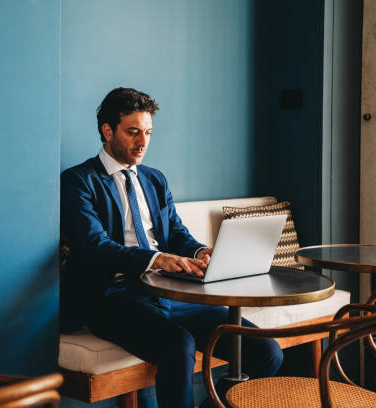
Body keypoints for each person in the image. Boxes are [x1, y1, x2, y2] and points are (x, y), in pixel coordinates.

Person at [60, 87, 283, 408]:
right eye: (133, 132)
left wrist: (199, 252)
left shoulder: (154, 179)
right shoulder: (79, 180)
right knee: (179, 345)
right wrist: (156, 259)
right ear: (107, 131)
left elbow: (177, 234)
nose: (143, 142)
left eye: (148, 132)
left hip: (172, 293)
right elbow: (93, 246)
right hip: (112, 296)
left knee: (265, 351)